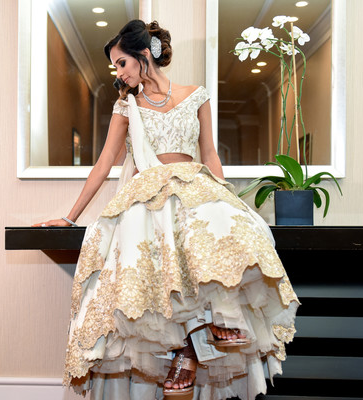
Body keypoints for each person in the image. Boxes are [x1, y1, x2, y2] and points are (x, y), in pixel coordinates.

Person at [34, 19, 299, 400]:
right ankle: (187, 344)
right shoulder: (127, 105)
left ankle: (201, 338)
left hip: (194, 184)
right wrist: (70, 216)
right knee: (150, 247)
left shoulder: (197, 95)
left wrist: (226, 199)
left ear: (144, 56)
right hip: (148, 192)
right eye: (115, 67)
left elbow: (210, 154)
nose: (118, 72)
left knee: (226, 230)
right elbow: (105, 162)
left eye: (121, 63)